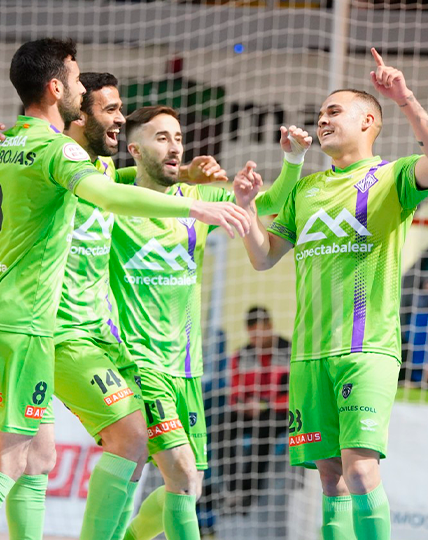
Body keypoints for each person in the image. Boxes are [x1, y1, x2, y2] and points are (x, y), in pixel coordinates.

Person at [0, 39, 249, 540]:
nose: (119, 119)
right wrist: (195, 206)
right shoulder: (61, 155)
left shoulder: (36, 151)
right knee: (27, 457)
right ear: (67, 100)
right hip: (39, 327)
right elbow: (107, 195)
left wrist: (184, 179)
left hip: (29, 323)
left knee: (37, 458)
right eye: (107, 107)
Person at [237, 48, 428, 539]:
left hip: (366, 348)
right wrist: (249, 208)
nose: (322, 120)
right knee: (330, 479)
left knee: (360, 471)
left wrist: (405, 98)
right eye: (320, 114)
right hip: (310, 354)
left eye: (334, 110)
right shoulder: (305, 188)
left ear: (369, 121)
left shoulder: (390, 177)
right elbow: (263, 256)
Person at [110, 106, 312, 540]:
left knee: (189, 485)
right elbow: (95, 183)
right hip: (139, 365)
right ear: (134, 149)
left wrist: (290, 163)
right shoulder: (112, 204)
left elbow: (272, 204)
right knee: (179, 474)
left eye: (178, 136)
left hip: (188, 369)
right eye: (161, 137)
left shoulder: (200, 202)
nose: (174, 144)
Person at [223, 306, 291, 511]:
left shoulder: (290, 351)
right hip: (250, 411)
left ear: (270, 326)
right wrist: (242, 406)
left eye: (261, 333)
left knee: (263, 428)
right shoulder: (241, 355)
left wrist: (265, 406)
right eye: (253, 336)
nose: (257, 340)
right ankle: (230, 489)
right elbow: (234, 393)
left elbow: (297, 395)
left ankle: (248, 493)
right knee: (223, 425)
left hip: (279, 413)